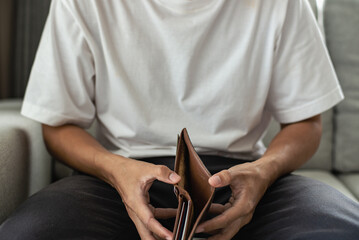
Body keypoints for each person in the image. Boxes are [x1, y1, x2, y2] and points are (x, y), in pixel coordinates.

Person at [1, 0, 359, 239]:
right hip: (119, 176)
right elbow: (58, 125)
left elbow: (306, 123)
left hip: (245, 177)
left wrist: (264, 172)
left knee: (339, 228)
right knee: (29, 232)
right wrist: (116, 171)